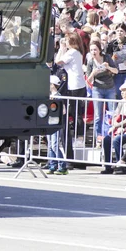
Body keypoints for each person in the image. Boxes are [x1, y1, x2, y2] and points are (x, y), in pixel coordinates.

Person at [55, 32, 87, 162]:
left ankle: (78, 134)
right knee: (76, 111)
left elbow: (58, 61)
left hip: (74, 86)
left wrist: (61, 49)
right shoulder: (78, 52)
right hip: (79, 84)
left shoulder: (72, 52)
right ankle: (78, 133)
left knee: (74, 112)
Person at [101, 81, 126, 174]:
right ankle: (108, 166)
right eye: (121, 91)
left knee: (117, 140)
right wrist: (115, 125)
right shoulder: (121, 102)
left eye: (124, 91)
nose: (122, 93)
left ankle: (122, 166)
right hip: (118, 127)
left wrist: (118, 126)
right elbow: (115, 115)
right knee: (106, 140)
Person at [86, 41, 118, 143]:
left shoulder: (107, 58)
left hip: (110, 87)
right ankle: (98, 137)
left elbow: (116, 71)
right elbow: (88, 81)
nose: (93, 52)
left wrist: (108, 67)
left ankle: (112, 136)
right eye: (91, 50)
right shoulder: (90, 62)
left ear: (99, 50)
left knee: (112, 112)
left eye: (95, 49)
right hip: (97, 89)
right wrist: (93, 73)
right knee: (98, 115)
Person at [45, 76, 68, 175]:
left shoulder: (58, 96)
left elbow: (63, 110)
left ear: (52, 85)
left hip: (55, 123)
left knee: (54, 145)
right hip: (49, 122)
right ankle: (52, 165)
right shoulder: (48, 96)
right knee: (50, 145)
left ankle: (62, 166)